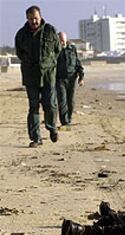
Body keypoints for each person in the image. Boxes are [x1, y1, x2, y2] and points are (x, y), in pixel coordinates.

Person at [15, 5, 61, 147]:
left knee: (50, 105)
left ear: (40, 17)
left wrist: (48, 64)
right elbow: (19, 53)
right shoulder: (21, 34)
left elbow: (57, 50)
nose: (33, 21)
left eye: (35, 18)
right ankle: (36, 138)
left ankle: (52, 127)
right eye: (30, 19)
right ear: (27, 19)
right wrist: (31, 65)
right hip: (30, 76)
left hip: (48, 75)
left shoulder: (50, 30)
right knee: (33, 107)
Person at [56, 32, 84, 129]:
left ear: (66, 39)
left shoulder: (72, 49)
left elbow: (78, 64)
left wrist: (81, 78)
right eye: (60, 40)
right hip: (59, 79)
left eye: (63, 40)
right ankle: (64, 122)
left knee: (71, 101)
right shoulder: (54, 51)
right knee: (62, 101)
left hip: (72, 79)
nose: (62, 42)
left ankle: (69, 118)